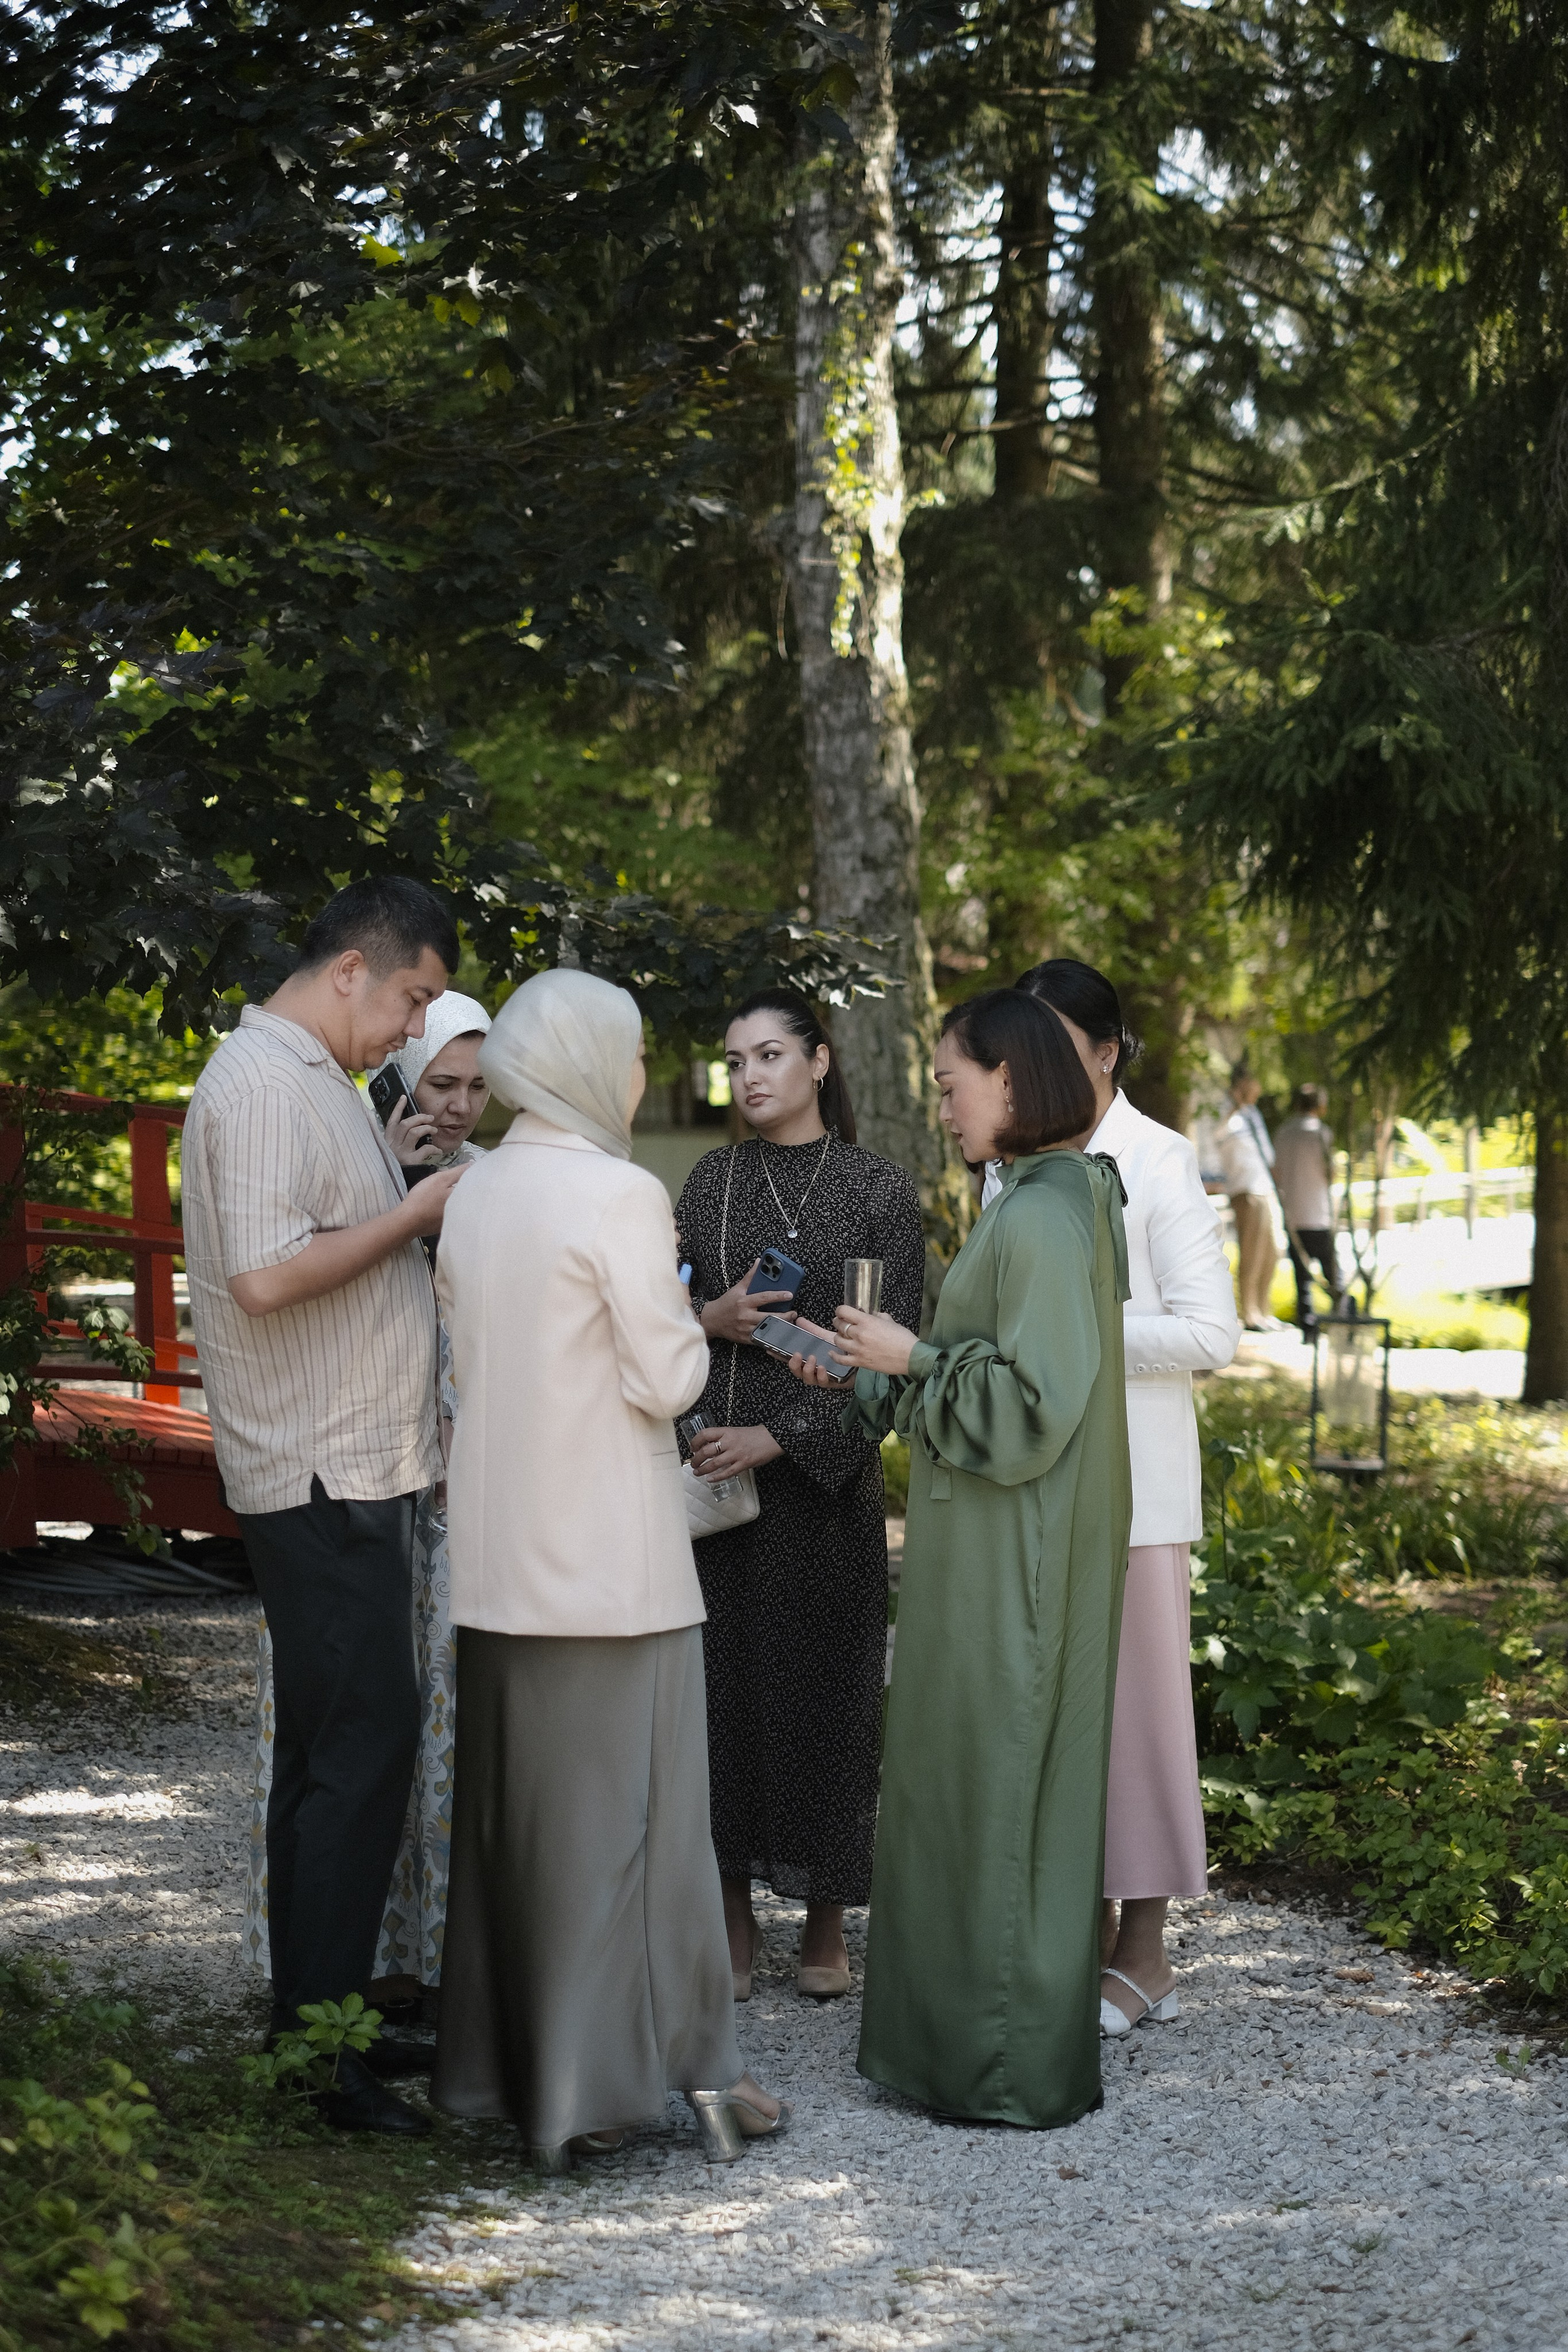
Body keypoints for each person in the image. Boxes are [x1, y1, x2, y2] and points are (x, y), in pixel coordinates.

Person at [429, 967, 785, 2168]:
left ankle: (509, 2074)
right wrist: (687, 1314)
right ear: (588, 1062)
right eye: (633, 1055)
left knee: (521, 1830)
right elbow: (668, 1381)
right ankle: (672, 2081)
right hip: (612, 1571)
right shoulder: (620, 1195)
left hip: (494, 1561)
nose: (641, 1079)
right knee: (640, 1837)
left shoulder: (473, 1192)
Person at [792, 989, 1131, 2130]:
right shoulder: (1043, 1197)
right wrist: (875, 1367)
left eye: (951, 1083)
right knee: (973, 1777)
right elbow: (984, 1368)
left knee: (991, 1780)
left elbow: (1031, 1407)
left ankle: (994, 2062)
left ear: (1013, 1080)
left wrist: (911, 1354)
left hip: (1013, 1558)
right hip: (1001, 1545)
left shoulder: (1042, 1216)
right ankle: (963, 2048)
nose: (940, 1105)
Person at [182, 876, 468, 2138]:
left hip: (357, 1464)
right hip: (317, 1473)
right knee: (360, 1757)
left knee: (331, 1755)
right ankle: (320, 2061)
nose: (415, 1030)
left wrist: (393, 1186)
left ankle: (319, 2019)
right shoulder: (253, 1083)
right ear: (352, 967)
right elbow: (259, 1280)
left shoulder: (324, 1084)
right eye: (411, 998)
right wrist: (413, 1213)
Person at [989, 960, 1238, 2036]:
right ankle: (1066, 1939)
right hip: (1033, 1483)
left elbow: (1209, 1332)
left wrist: (1071, 1331)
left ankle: (1146, 1954)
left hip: (1135, 1494)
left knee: (1136, 1724)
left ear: (1105, 1050)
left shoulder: (1160, 1157)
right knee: (1050, 1719)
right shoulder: (1008, 1164)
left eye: (1055, 1041)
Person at [241, 991, 492, 2003]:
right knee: (351, 1721)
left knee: (438, 1709)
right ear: (401, 1077)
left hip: (462, 1471)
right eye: (443, 1081)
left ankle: (427, 1964)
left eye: (479, 1084)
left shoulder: (492, 1182)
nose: (464, 1103)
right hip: (352, 1469)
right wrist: (390, 1183)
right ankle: (336, 1978)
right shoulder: (358, 1171)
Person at [673, 990, 924, 2002]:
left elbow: (889, 1372)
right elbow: (652, 1314)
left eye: (770, 1054)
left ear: (820, 1062)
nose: (750, 1077)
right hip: (712, 1483)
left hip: (822, 1489)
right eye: (735, 1061)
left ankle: (827, 1921)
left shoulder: (877, 1189)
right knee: (717, 1698)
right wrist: (710, 1316)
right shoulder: (709, 1180)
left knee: (829, 1696)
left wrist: (776, 1438)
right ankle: (731, 1917)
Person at [1215, 1066, 1279, 1330]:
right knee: (1251, 1251)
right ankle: (1250, 1313)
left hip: (1266, 1188)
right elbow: (1218, 1135)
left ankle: (1263, 1309)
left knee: (1274, 1250)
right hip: (1245, 1189)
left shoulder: (1253, 1114)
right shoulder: (1227, 1113)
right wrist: (1235, 1106)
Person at [1273, 1084, 1341, 1328]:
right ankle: (1340, 1321)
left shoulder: (1283, 1133)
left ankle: (1308, 1326)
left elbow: (1277, 1171)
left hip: (1293, 1213)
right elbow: (1330, 1172)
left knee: (1301, 1277)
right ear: (1321, 1107)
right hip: (1318, 1212)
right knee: (1333, 1272)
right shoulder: (1322, 1134)